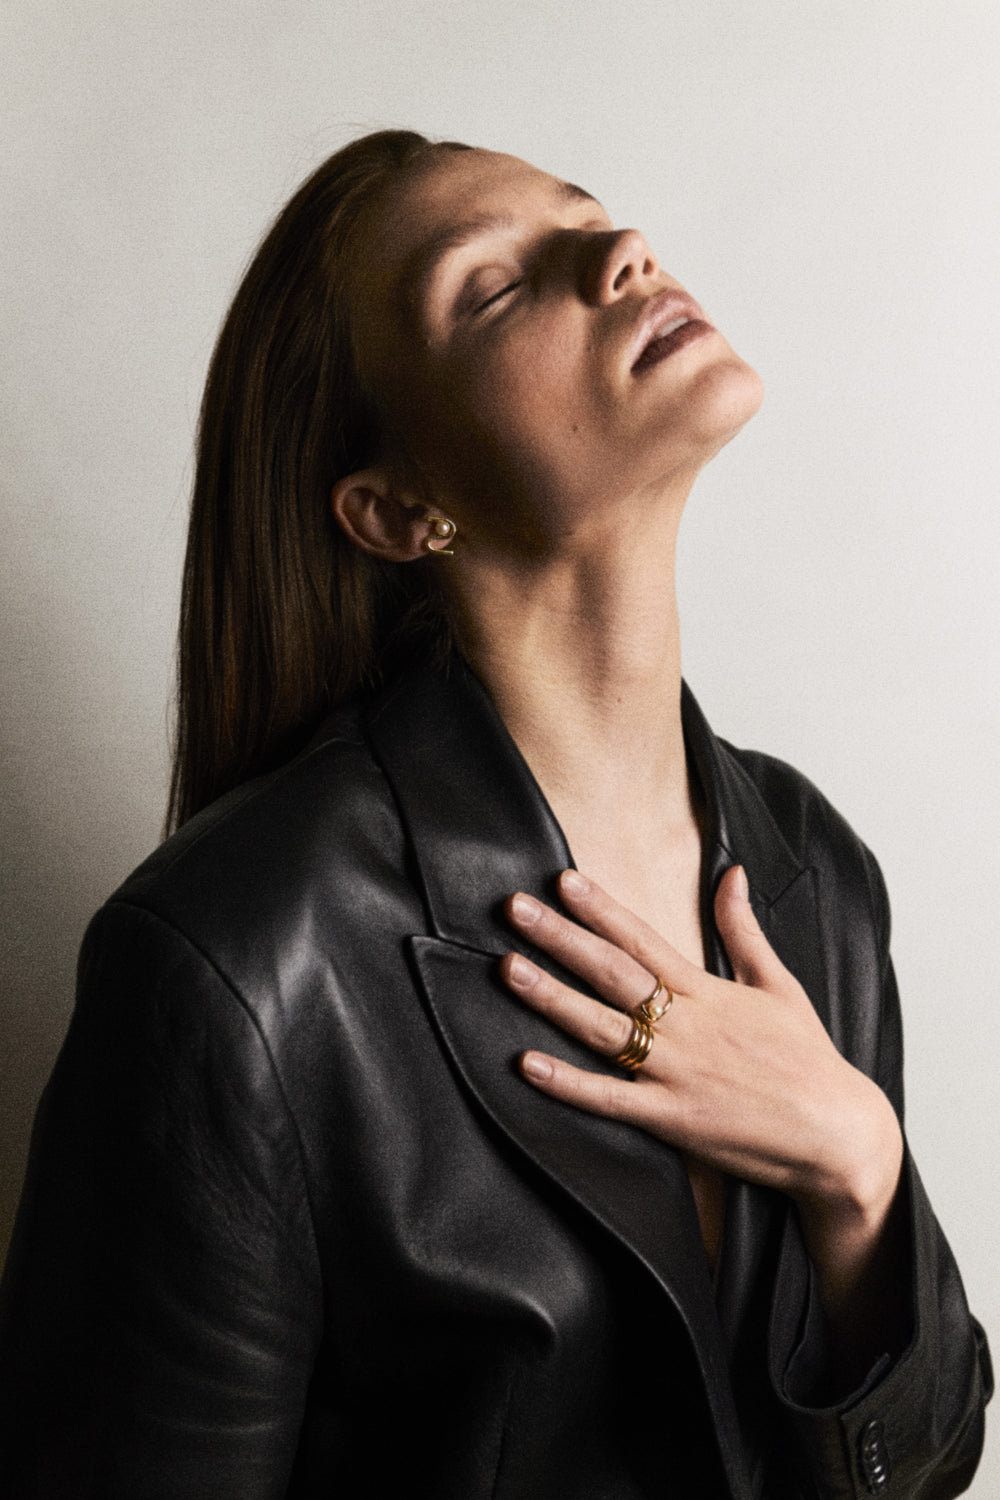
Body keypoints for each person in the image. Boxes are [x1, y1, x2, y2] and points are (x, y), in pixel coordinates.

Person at [0, 129, 991, 1499]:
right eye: (498, 286)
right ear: (399, 509)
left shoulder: (814, 868)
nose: (619, 252)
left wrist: (857, 1164)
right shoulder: (236, 964)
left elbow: (927, 1467)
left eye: (590, 216)